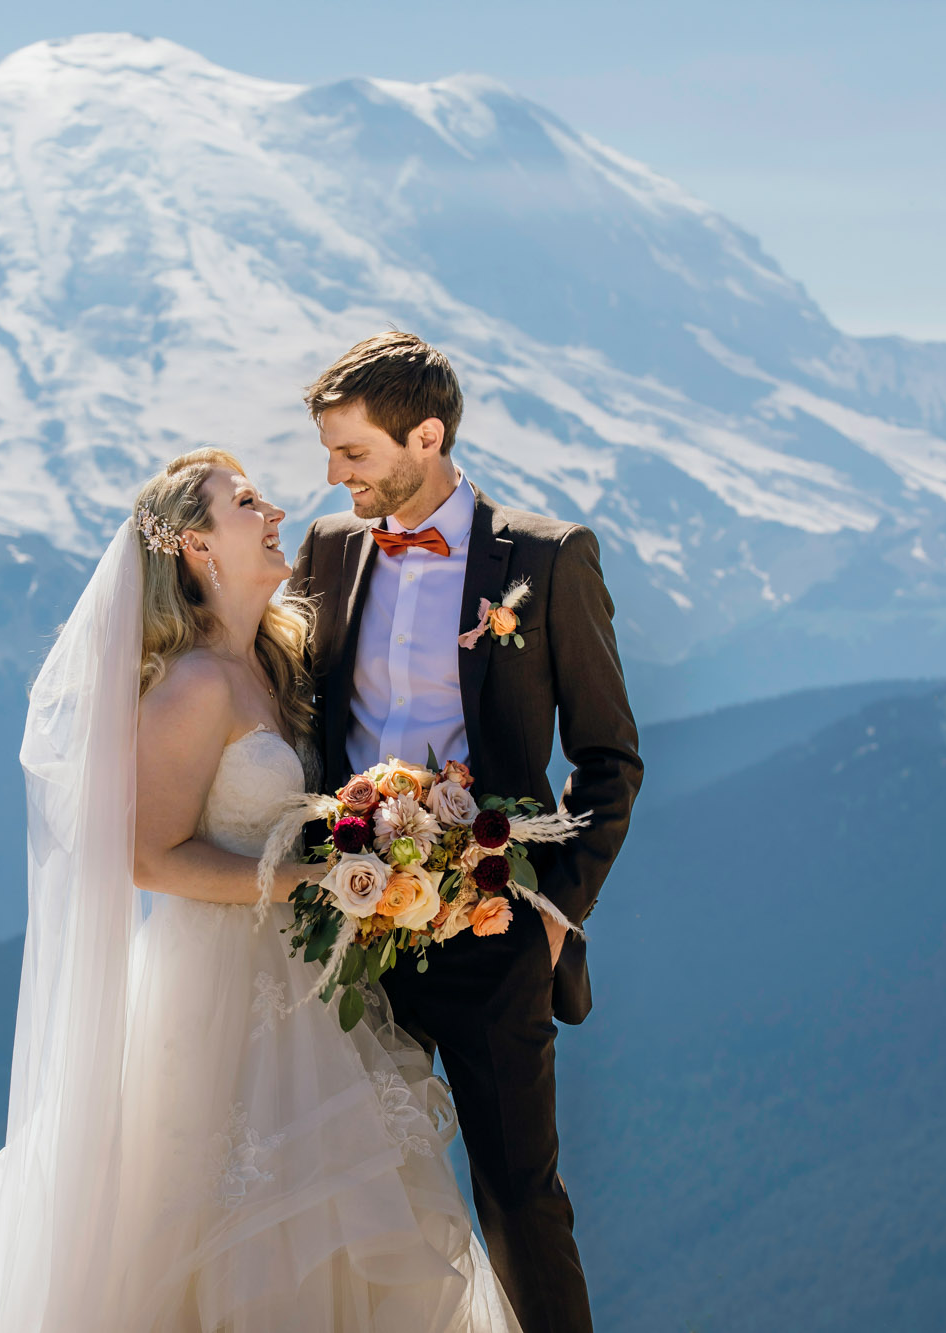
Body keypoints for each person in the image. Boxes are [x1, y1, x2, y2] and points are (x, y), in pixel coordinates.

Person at [0, 447, 519, 1331]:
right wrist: (315, 879)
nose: (274, 511)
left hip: (303, 985)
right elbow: (148, 857)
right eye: (246, 501)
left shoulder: (274, 662)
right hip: (217, 997)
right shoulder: (193, 683)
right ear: (197, 547)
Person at [286, 332, 645, 1333]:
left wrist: (547, 910)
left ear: (426, 435)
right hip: (347, 939)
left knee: (518, 1199)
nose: (331, 475)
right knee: (344, 1202)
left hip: (493, 936)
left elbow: (610, 759)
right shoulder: (325, 550)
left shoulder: (545, 556)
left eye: (351, 454)